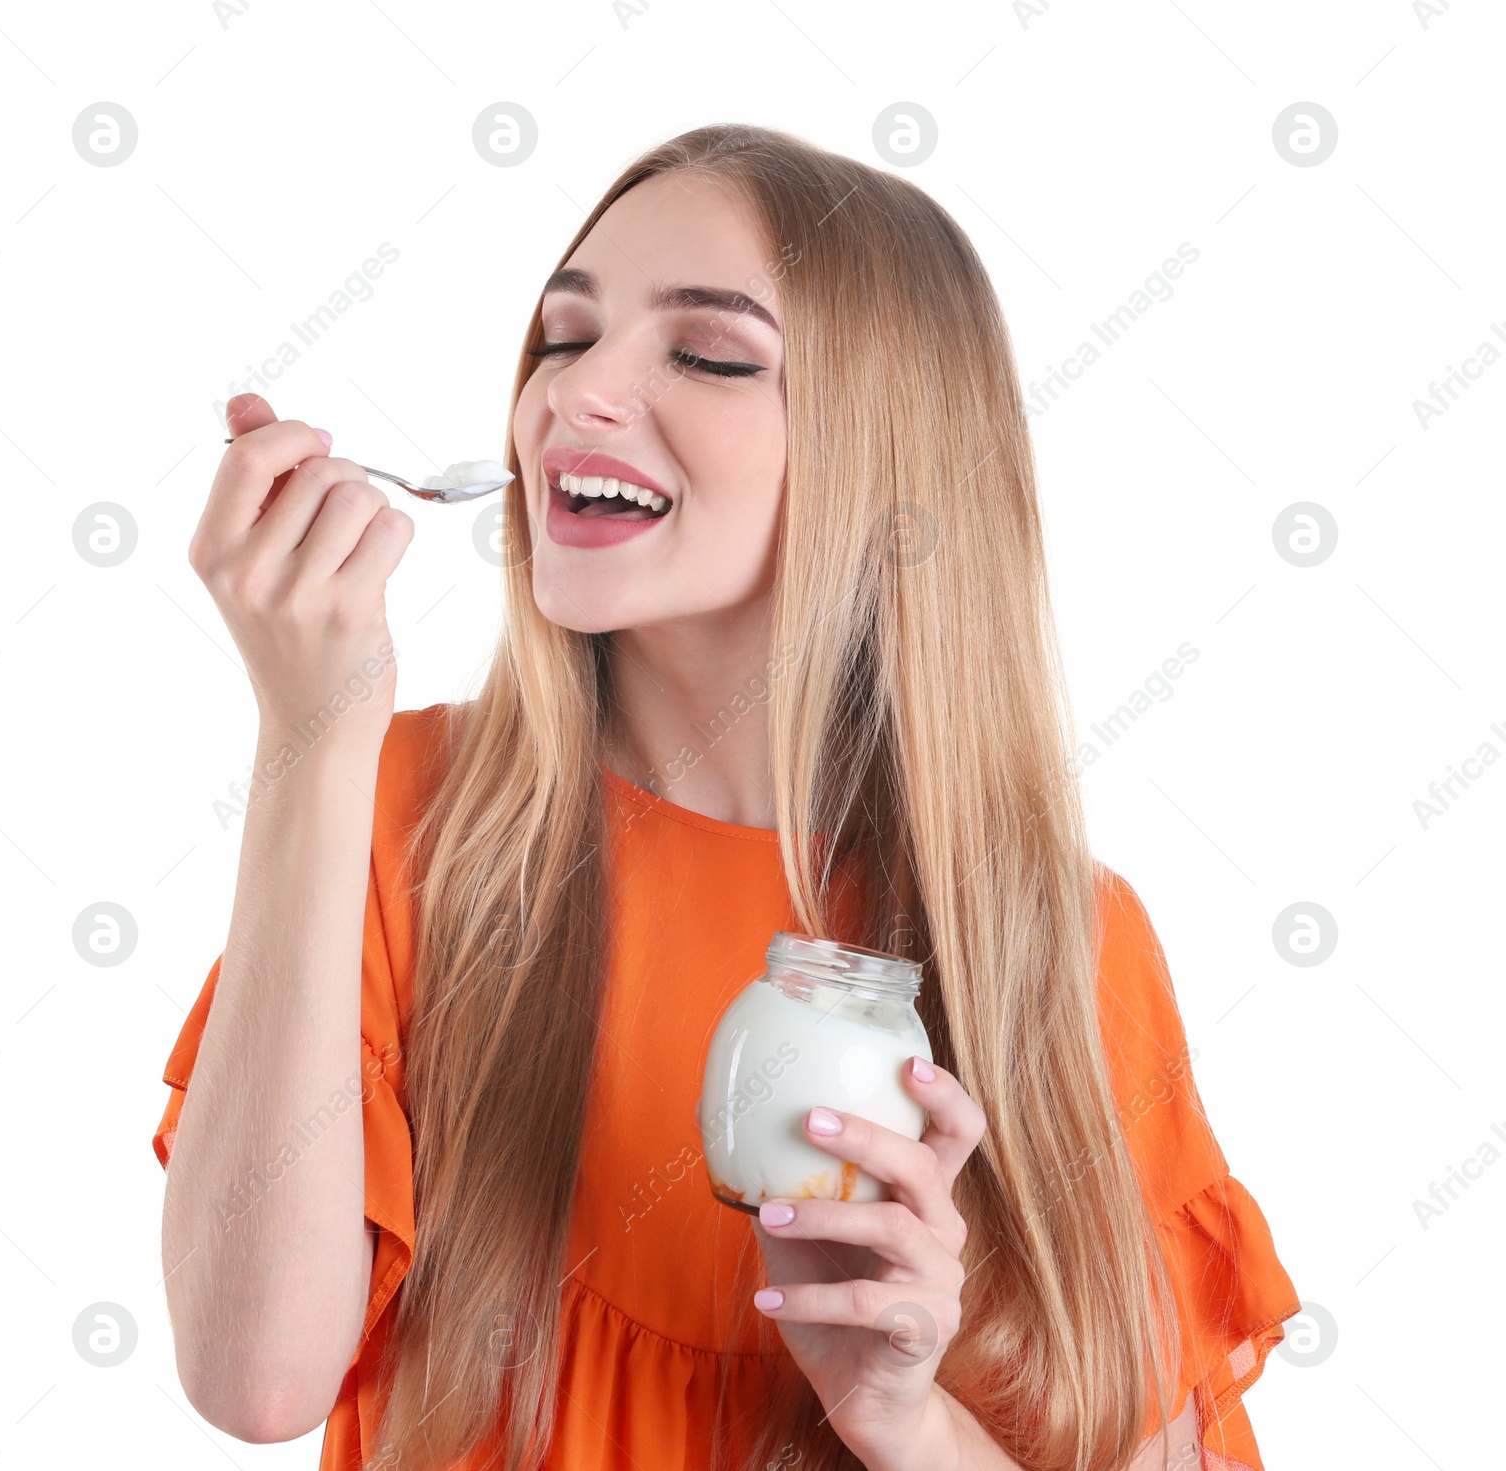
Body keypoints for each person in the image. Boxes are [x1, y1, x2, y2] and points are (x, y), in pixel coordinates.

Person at [153, 123, 1300, 1471]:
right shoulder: (402, 813)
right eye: (563, 340)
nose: (574, 398)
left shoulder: (1061, 941)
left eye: (707, 354)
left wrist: (903, 1416)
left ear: (891, 467)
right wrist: (312, 733)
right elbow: (254, 1377)